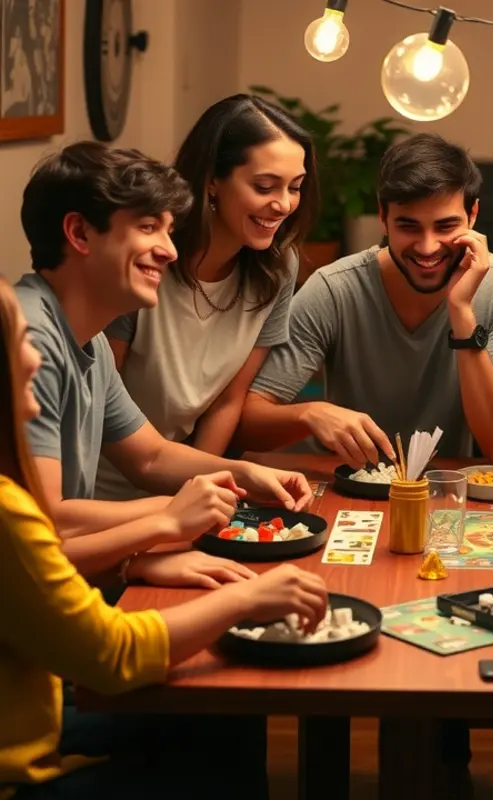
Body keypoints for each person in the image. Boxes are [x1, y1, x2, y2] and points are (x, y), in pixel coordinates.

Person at [0, 272, 330, 799]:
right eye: (20, 341)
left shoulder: (87, 343)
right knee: (222, 738)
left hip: (42, 689)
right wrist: (245, 597)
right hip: (26, 760)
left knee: (226, 717)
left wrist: (135, 561)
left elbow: (146, 459)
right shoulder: (8, 505)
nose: (36, 358)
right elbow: (111, 655)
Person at [14, 141, 312, 585]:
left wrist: (243, 474)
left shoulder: (89, 339)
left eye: (169, 231)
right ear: (79, 233)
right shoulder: (29, 339)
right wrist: (168, 517)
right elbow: (44, 527)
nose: (169, 250)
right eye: (149, 227)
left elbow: (150, 458)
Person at [235, 132, 493, 469]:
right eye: (409, 227)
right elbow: (246, 424)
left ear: (473, 214)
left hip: (446, 487)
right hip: (348, 483)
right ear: (382, 216)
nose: (427, 247)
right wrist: (309, 414)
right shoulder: (334, 289)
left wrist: (462, 312)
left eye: (445, 226)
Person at [97, 94, 317, 501]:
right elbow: (97, 403)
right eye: (264, 186)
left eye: (295, 187)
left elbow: (227, 401)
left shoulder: (277, 268)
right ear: (212, 179)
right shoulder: (148, 257)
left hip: (182, 484)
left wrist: (200, 492)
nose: (283, 204)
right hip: (100, 490)